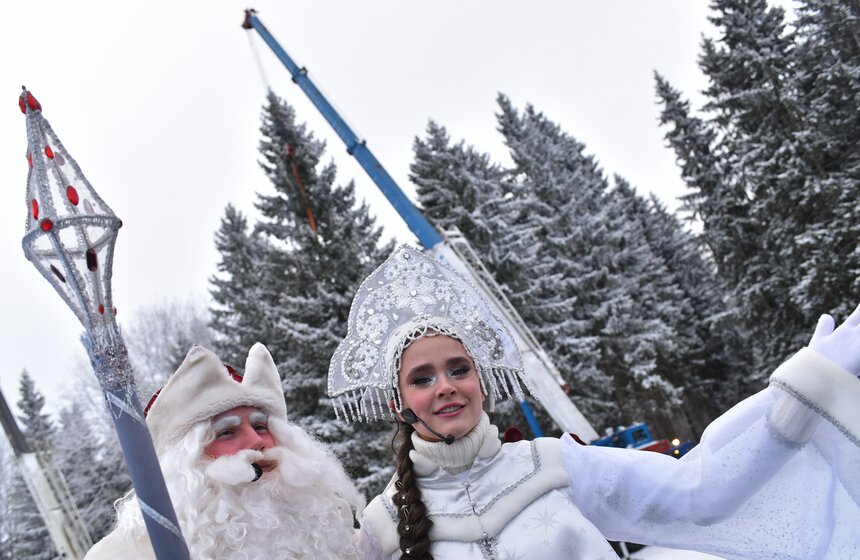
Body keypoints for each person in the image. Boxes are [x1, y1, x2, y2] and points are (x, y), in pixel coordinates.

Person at [328, 244, 860, 559]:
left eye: (458, 368)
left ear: (481, 379)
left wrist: (801, 399)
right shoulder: (381, 525)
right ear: (399, 401)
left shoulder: (555, 465)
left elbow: (702, 495)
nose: (445, 385)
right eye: (422, 378)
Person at [86, 342, 364, 560]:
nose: (256, 441)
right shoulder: (131, 552)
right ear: (189, 459)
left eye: (261, 426)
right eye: (227, 432)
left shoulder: (328, 526)